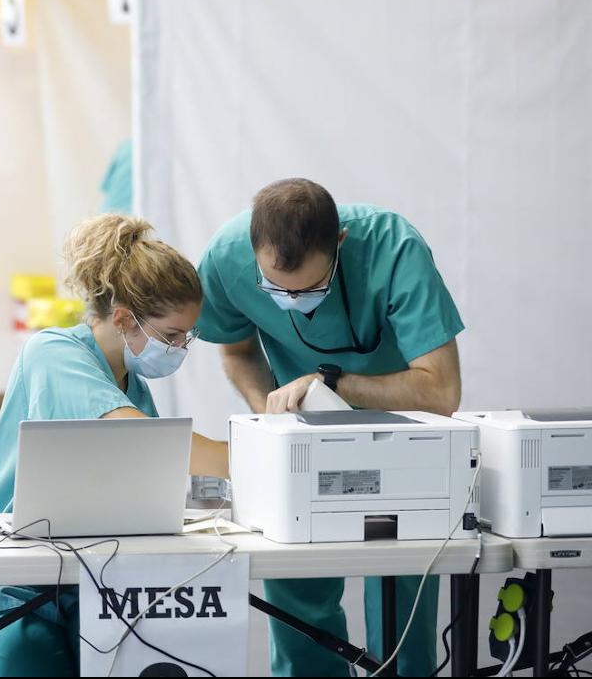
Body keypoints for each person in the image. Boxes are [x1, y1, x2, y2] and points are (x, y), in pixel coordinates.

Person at [196, 178, 464, 677]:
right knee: (297, 584)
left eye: (311, 287)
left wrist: (333, 382)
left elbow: (442, 392)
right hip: (300, 437)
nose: (294, 300)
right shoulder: (225, 258)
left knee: (401, 586)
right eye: (276, 289)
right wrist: (269, 417)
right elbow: (235, 351)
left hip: (399, 435)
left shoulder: (394, 248)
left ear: (339, 244)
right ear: (252, 249)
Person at [0, 214, 230, 677]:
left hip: (93, 587)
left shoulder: (130, 384)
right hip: (10, 594)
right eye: (172, 336)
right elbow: (149, 445)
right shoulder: (54, 353)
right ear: (123, 319)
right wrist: (256, 454)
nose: (179, 348)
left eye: (186, 338)